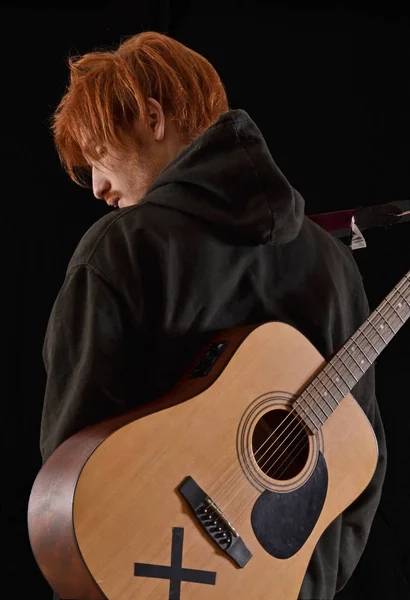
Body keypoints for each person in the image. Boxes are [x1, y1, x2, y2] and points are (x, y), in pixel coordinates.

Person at [39, 31, 386, 600]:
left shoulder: (119, 251)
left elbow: (72, 480)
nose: (98, 187)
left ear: (154, 119)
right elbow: (359, 476)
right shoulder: (335, 267)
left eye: (99, 152)